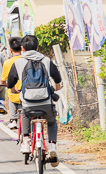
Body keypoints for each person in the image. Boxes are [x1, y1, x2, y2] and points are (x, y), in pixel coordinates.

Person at [6, 34, 64, 166]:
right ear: (37, 47)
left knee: (24, 113)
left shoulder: (18, 62)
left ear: (22, 48)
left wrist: (15, 90)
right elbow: (58, 80)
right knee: (51, 120)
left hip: (28, 102)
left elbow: (10, 83)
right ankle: (52, 146)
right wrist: (55, 88)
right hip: (45, 102)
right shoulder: (47, 61)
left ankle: (26, 140)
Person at [0, 36, 23, 129]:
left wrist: (4, 84)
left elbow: (3, 80)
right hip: (26, 94)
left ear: (10, 50)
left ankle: (13, 119)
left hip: (14, 95)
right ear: (22, 48)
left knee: (11, 94)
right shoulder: (26, 60)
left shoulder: (7, 62)